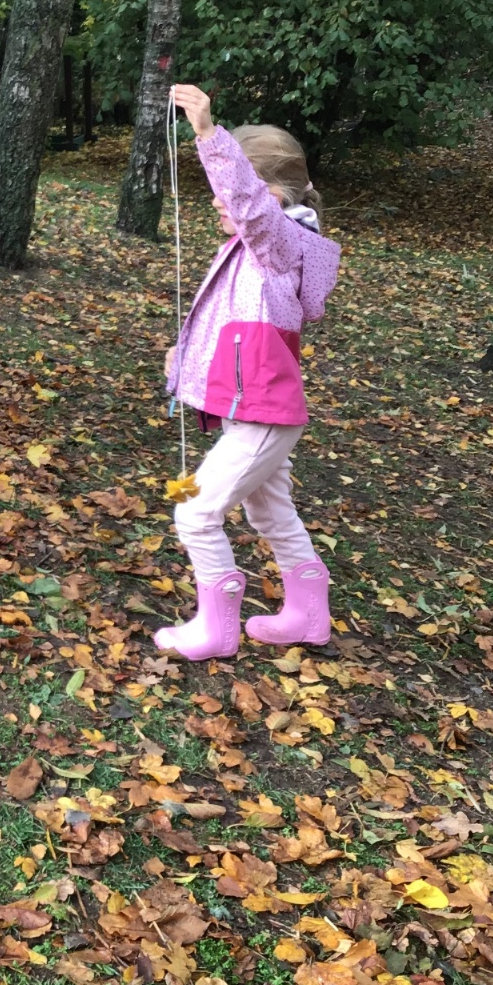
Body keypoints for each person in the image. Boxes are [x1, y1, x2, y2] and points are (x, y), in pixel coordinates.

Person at [156, 85, 341, 661]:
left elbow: (249, 205)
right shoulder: (253, 248)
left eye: (226, 189)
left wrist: (209, 135)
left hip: (263, 414)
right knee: (270, 510)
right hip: (256, 410)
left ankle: (216, 628)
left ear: (272, 196)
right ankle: (307, 617)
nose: (217, 200)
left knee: (196, 513)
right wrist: (185, 354)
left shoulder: (278, 242)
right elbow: (233, 318)